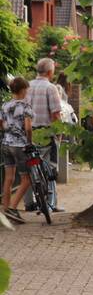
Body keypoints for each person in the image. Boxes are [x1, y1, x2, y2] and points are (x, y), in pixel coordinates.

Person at [25, 58, 62, 211]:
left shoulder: (27, 86)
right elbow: (56, 114)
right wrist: (58, 132)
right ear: (49, 72)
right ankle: (50, 203)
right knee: (50, 168)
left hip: (28, 132)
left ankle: (29, 203)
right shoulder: (50, 88)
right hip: (46, 133)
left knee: (30, 167)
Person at [1, 77, 34, 225]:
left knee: (9, 178)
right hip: (20, 146)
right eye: (26, 89)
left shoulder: (4, 106)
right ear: (22, 90)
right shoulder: (26, 106)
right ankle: (13, 209)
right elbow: (28, 127)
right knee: (27, 179)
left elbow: (1, 124)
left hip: (6, 144)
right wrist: (29, 142)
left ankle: (5, 209)